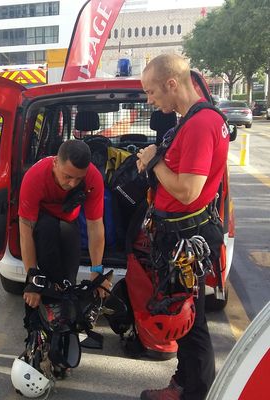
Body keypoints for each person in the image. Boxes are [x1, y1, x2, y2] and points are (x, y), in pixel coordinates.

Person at [137, 54, 229, 400]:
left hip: (186, 236)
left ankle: (196, 393)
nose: (150, 100)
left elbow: (189, 191)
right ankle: (185, 383)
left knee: (191, 322)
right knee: (185, 319)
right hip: (181, 237)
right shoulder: (192, 120)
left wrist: (153, 160)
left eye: (151, 92)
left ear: (172, 84)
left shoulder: (201, 125)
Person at [19, 139, 110, 315]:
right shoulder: (34, 177)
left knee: (71, 248)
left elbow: (95, 226)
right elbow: (25, 229)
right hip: (42, 221)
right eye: (67, 176)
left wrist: (97, 271)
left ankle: (66, 296)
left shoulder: (93, 177)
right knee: (48, 229)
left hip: (69, 219)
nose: (72, 184)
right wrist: (32, 277)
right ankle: (51, 301)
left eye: (78, 178)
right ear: (55, 162)